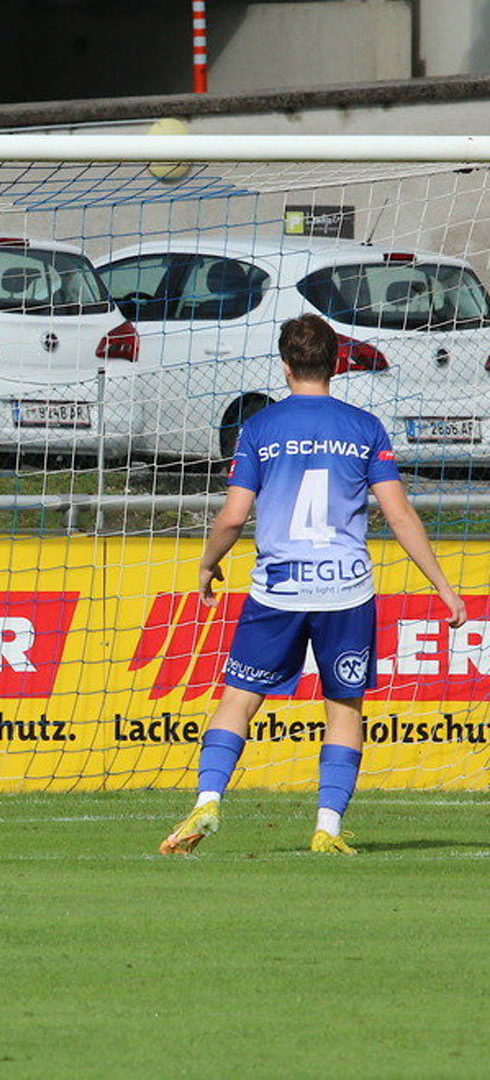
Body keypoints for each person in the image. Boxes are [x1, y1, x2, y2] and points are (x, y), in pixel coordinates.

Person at [159, 314, 465, 855]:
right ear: (337, 365)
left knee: (238, 699)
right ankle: (327, 827)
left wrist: (208, 564)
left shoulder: (259, 428)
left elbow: (233, 517)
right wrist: (442, 585)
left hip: (277, 589)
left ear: (285, 366)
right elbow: (399, 515)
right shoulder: (365, 427)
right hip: (345, 591)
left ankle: (208, 799)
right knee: (344, 707)